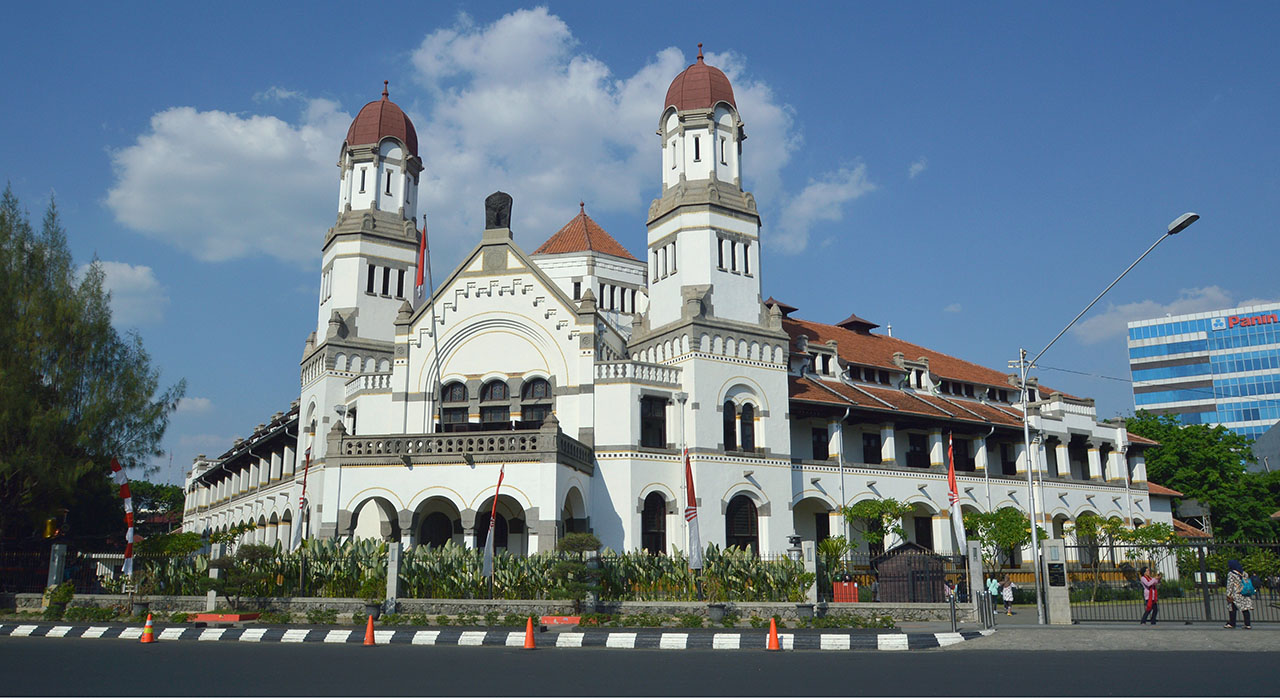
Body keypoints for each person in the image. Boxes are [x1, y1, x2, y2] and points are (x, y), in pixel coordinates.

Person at [1225, 559, 1253, 629]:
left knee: (1232, 608)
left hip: (1235, 593)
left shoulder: (1231, 574)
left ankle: (1232, 623)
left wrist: (1228, 594)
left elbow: (1230, 585)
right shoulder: (1244, 573)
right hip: (1244, 592)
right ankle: (1247, 624)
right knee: (1245, 609)